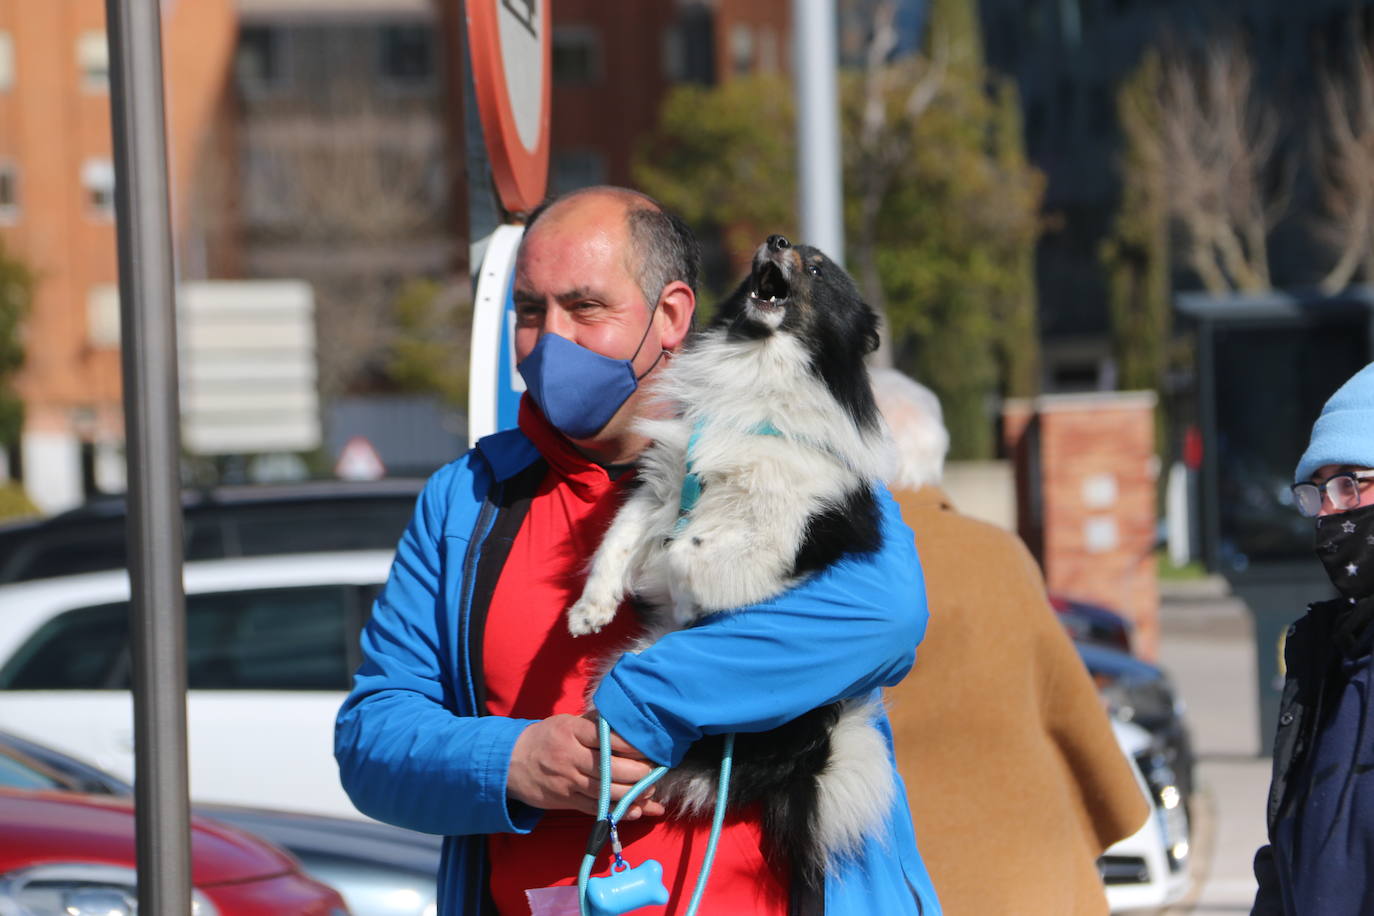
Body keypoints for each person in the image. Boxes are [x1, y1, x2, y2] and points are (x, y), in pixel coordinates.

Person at [334, 187, 941, 915]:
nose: (548, 339)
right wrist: (516, 763)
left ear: (673, 316)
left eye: (585, 307)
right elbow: (373, 737)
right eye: (530, 311)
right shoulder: (465, 499)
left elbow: (885, 613)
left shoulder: (792, 449)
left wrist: (635, 706)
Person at [870, 368, 1150, 915]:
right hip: (1029, 874)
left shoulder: (842, 568)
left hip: (903, 882)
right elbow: (1072, 712)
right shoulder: (1001, 552)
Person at [1253, 361, 1374, 915]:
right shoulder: (1328, 657)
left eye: (1351, 484)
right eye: (1317, 491)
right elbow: (1287, 864)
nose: (1329, 512)